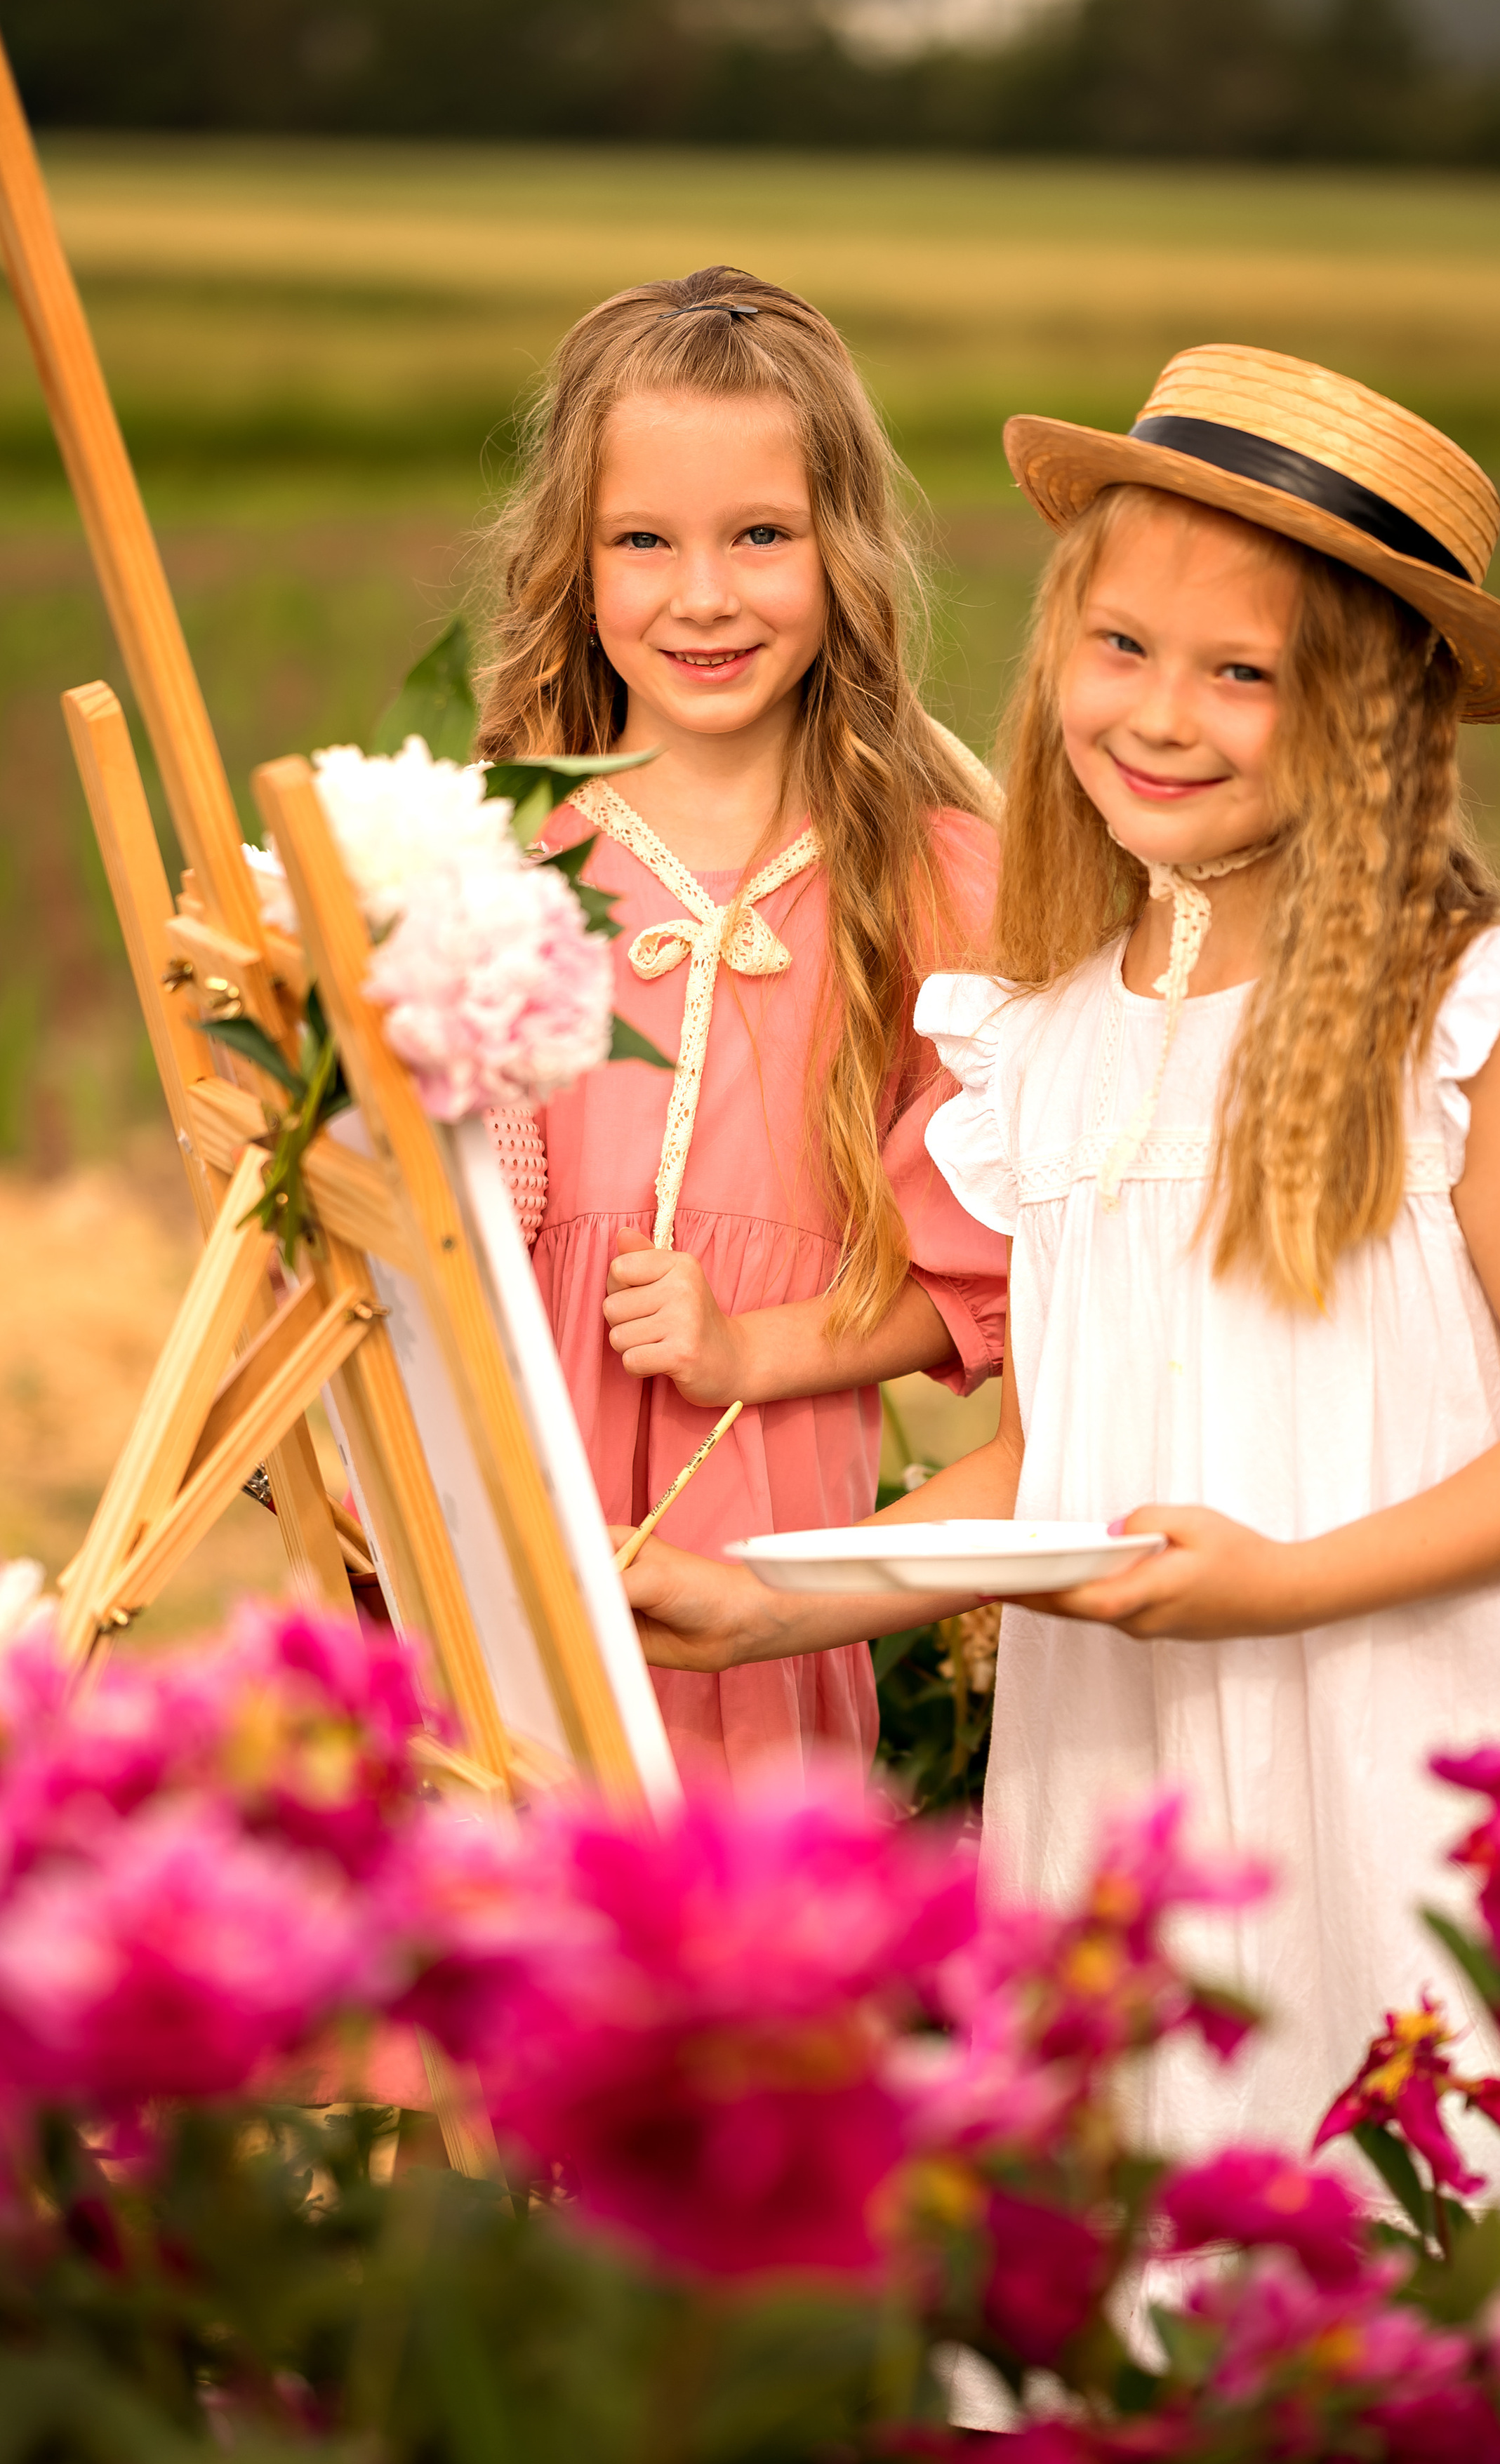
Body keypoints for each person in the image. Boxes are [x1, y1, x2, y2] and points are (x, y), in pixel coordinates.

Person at [624, 344, 1500, 2245]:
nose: (1164, 715)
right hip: (1148, 1768)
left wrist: (1285, 1582)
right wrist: (780, 1591)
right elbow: (1069, 1458)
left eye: (1247, 674)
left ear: (1377, 720)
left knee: (1438, 2242)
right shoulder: (1055, 1041)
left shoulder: (1469, 1022)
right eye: (1123, 648)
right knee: (1162, 2251)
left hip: (1430, 1749)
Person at [477, 263, 1008, 1783]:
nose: (701, 595)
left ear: (841, 552)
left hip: (753, 1552)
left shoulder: (935, 882)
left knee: (728, 1959)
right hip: (510, 1520)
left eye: (759, 537)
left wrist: (749, 1348)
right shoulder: (495, 863)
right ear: (571, 566)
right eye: (642, 540)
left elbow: (976, 1280)